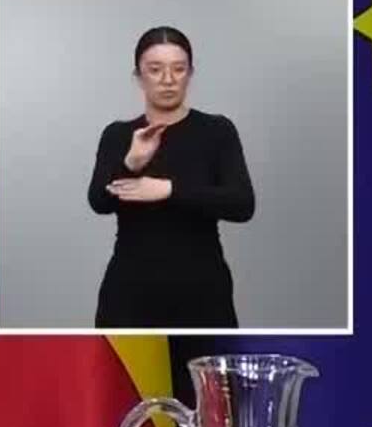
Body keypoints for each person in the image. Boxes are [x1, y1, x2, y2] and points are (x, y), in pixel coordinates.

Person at [87, 26, 255, 328]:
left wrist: (169, 190)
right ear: (139, 76)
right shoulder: (118, 134)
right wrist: (131, 163)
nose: (168, 79)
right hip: (129, 292)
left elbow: (242, 204)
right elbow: (99, 201)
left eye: (178, 69)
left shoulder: (217, 130)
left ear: (190, 73)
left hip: (203, 292)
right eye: (155, 69)